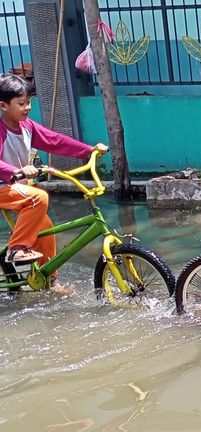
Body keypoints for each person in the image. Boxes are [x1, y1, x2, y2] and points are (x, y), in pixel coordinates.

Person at [0, 74, 108, 291]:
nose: (27, 107)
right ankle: (16, 248)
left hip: (18, 187)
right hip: (4, 186)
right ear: (3, 105)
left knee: (46, 229)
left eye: (29, 102)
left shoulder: (27, 126)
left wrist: (88, 151)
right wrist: (16, 171)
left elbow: (55, 141)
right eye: (21, 103)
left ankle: (50, 280)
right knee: (38, 197)